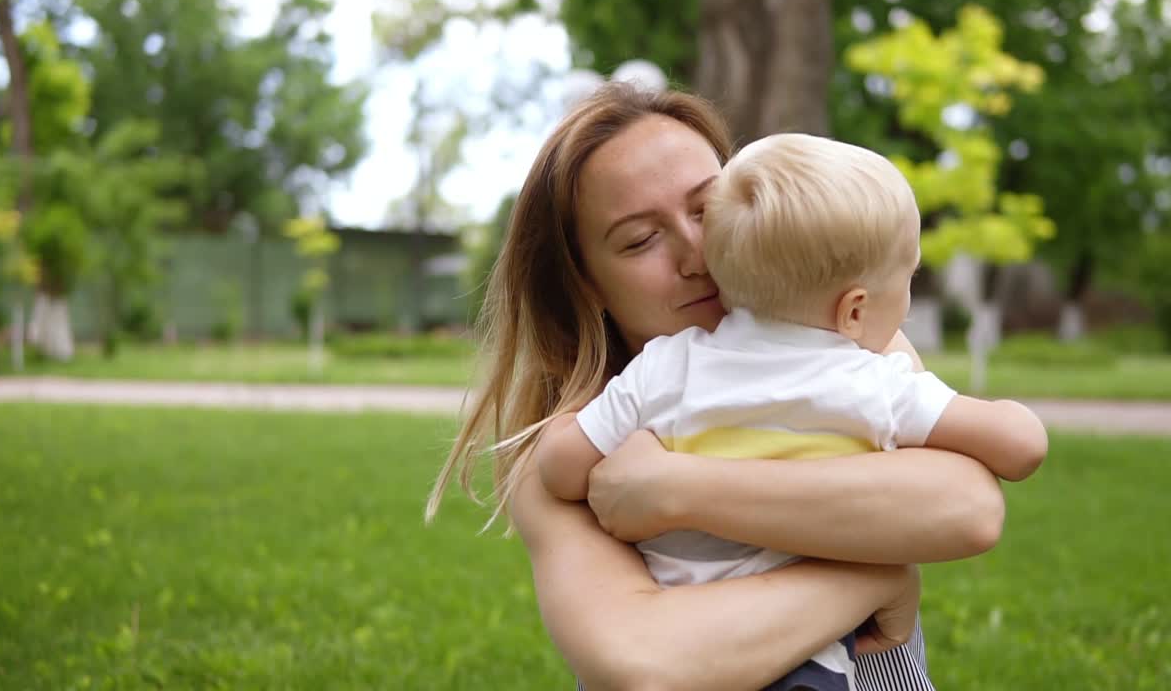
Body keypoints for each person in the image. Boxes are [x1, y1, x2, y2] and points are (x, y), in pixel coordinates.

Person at [427, 83, 1013, 691]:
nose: (695, 254)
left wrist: (678, 489)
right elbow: (645, 665)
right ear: (586, 285)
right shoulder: (566, 449)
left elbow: (967, 507)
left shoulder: (848, 344)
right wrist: (875, 576)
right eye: (640, 239)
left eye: (707, 208)